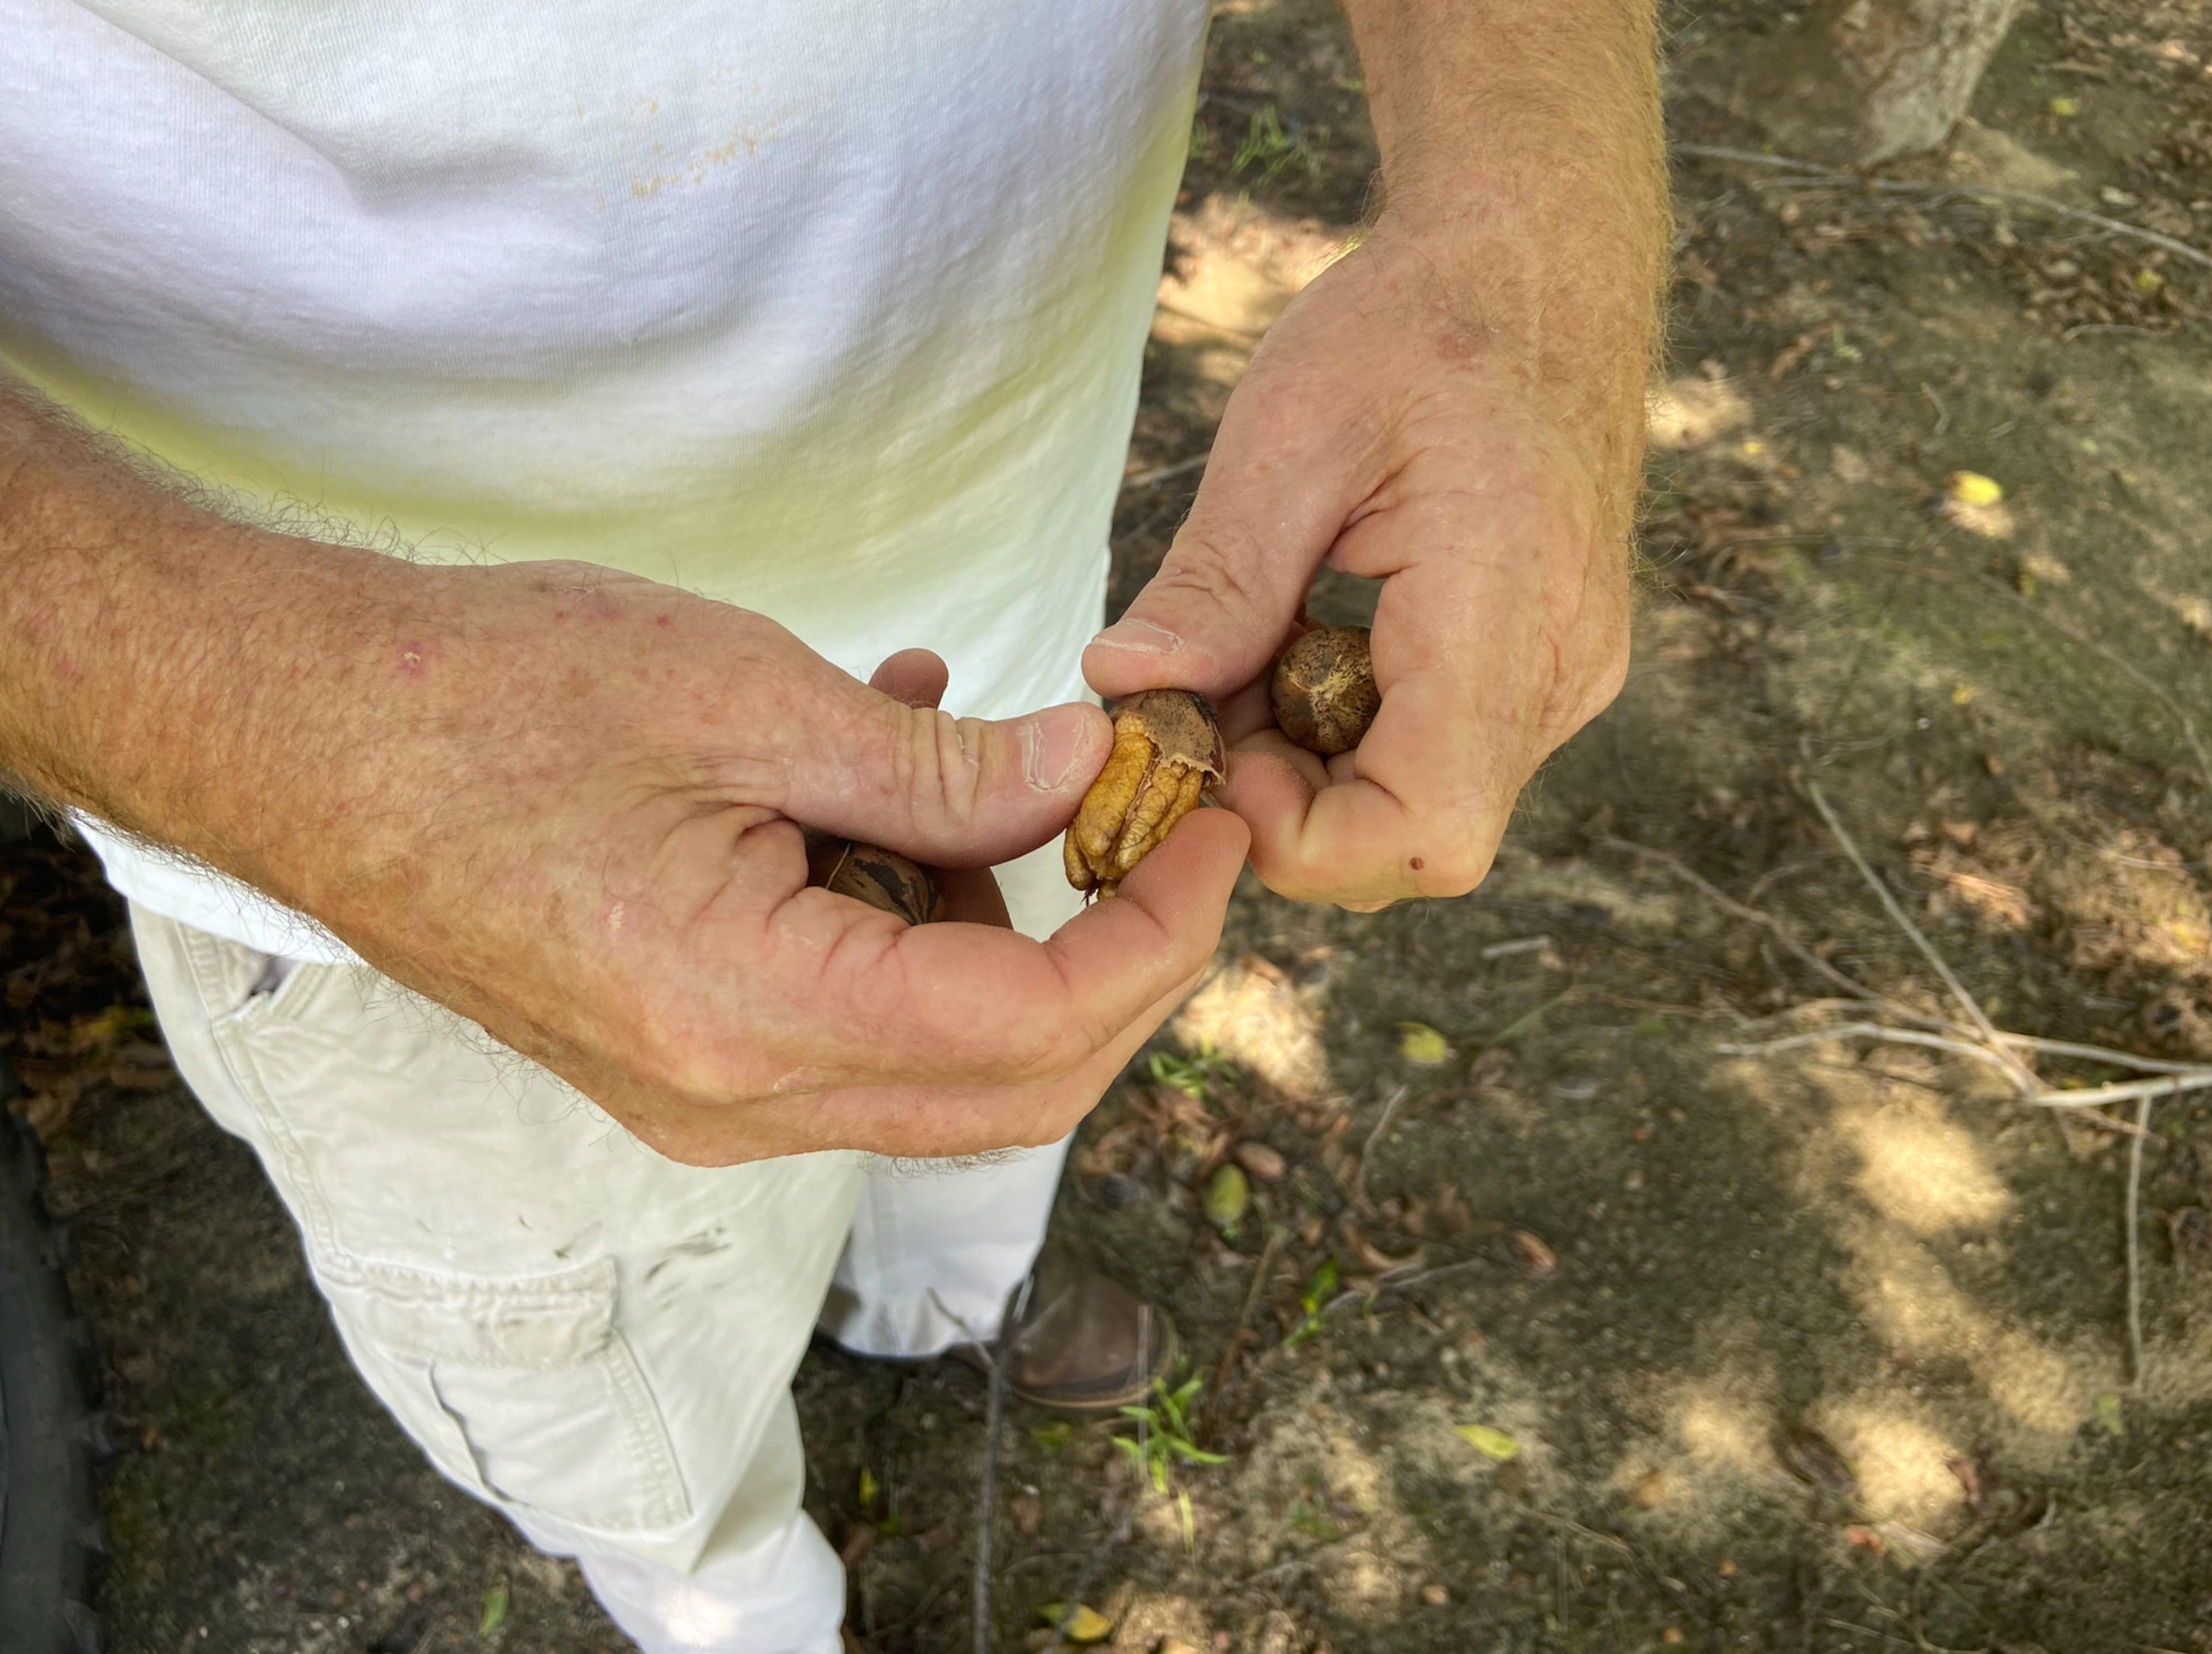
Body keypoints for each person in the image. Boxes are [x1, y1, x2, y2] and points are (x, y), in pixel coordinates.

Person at [0, 0, 1667, 1647]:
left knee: (994, 1095)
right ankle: (736, 1602)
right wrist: (256, 728)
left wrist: (1522, 235)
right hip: (386, 818)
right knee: (622, 1382)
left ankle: (944, 1306)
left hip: (1023, 604)